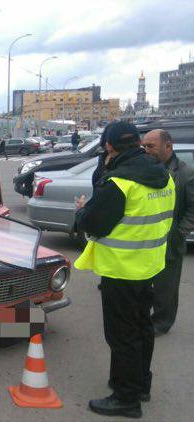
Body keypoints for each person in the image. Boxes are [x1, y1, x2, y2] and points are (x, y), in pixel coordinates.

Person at [74, 121, 175, 418]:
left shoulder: (120, 182)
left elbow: (93, 224)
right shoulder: (163, 175)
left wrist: (82, 210)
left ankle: (126, 397)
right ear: (138, 142)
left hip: (122, 271)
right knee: (143, 328)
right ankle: (141, 384)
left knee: (123, 336)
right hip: (149, 266)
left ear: (108, 146)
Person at [142, 129, 194, 335]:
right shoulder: (145, 169)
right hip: (146, 239)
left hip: (170, 239)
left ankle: (162, 322)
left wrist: (179, 233)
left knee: (166, 287)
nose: (146, 150)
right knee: (144, 283)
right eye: (144, 146)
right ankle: (144, 317)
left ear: (168, 147)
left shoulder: (186, 173)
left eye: (150, 146)